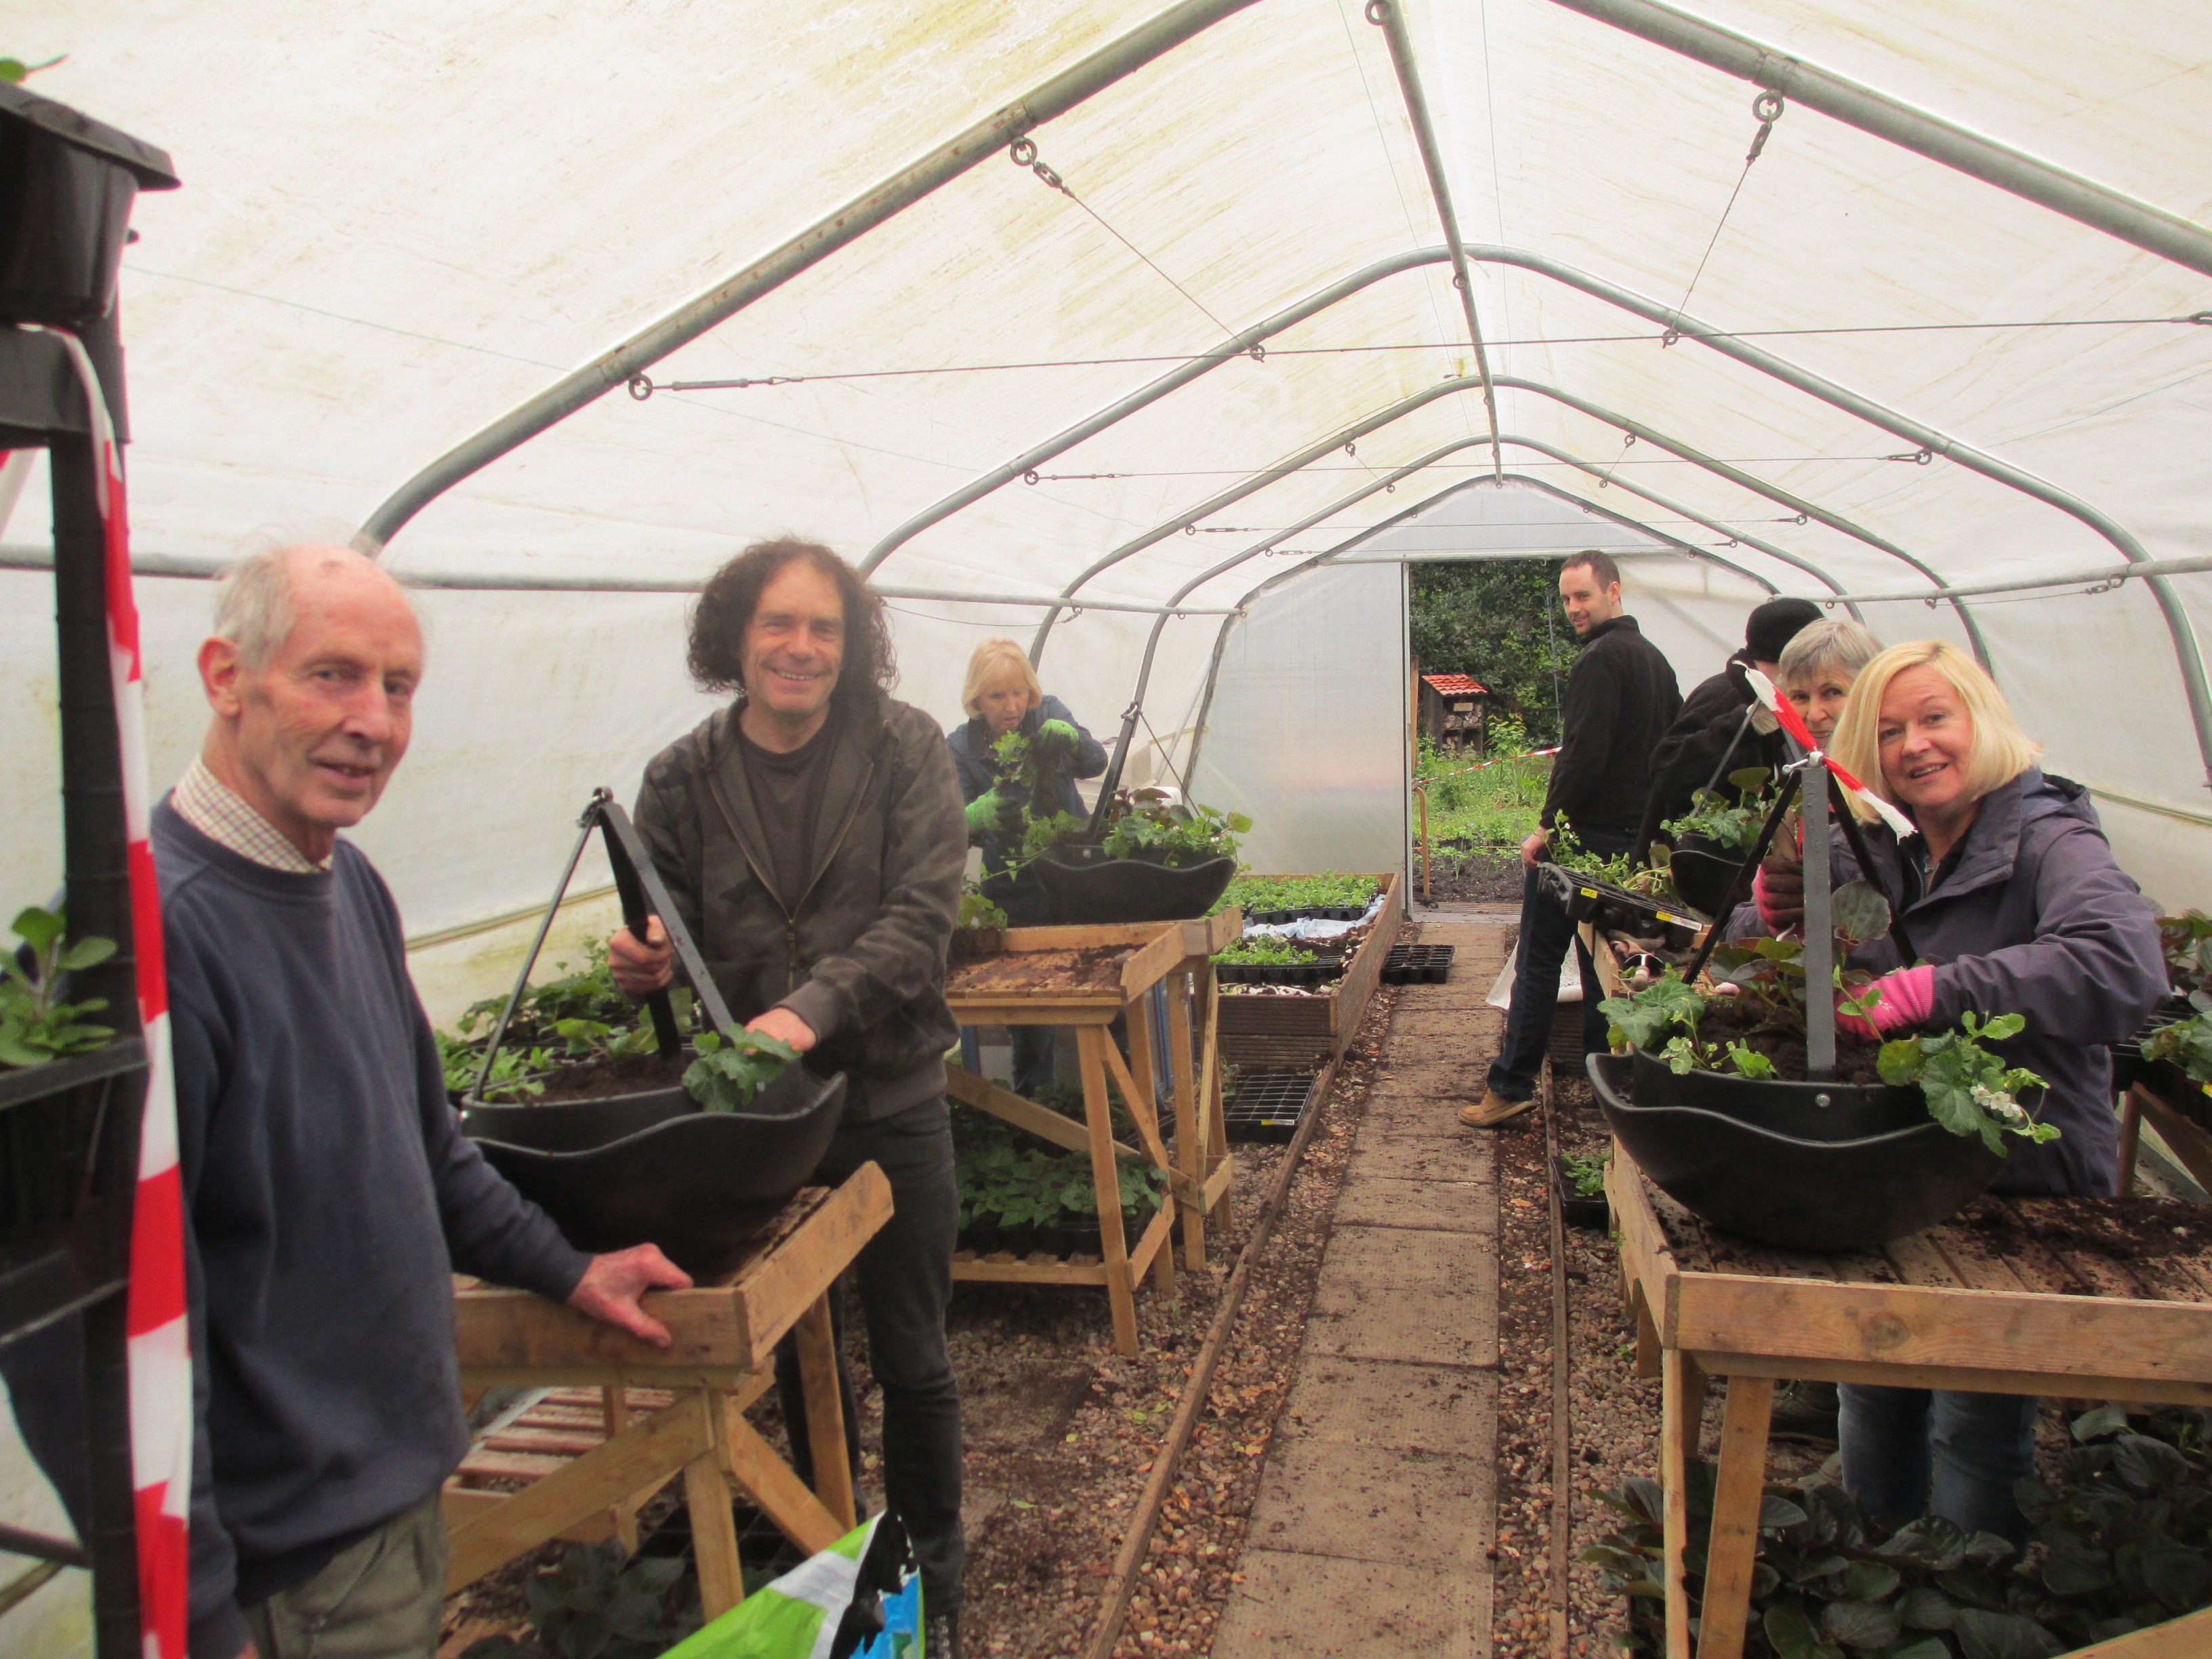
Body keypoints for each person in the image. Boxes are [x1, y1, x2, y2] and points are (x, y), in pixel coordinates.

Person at [152, 545, 691, 1659]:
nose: (373, 721)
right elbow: (109, 1331)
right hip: (283, 1567)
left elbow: (429, 1149)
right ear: (225, 676)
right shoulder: (158, 943)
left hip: (386, 1508)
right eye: (332, 675)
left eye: (398, 687)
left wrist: (567, 1267)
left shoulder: (344, 883)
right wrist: (198, 1613)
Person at [608, 539, 969, 1655]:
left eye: (824, 627)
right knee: (802, 1356)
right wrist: (645, 963)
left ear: (851, 645)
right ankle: (835, 1562)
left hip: (890, 1096)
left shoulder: (906, 748)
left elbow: (922, 916)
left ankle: (933, 1572)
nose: (800, 647)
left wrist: (809, 1010)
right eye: (778, 623)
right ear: (736, 636)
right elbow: (666, 929)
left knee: (912, 1352)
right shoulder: (681, 778)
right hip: (761, 1122)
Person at [1763, 640, 2166, 1540]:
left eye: (1934, 719)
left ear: (1980, 721)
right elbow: (1807, 943)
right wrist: (1779, 907)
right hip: (1897, 1171)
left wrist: (1939, 989)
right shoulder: (1884, 841)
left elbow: (2123, 965)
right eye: (1890, 730)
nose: (1914, 746)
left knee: (1975, 1425)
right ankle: (1877, 1574)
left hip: (2016, 1179)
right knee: (1873, 1394)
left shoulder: (2049, 837)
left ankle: (1967, 1583)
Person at [1461, 551, 1681, 1128]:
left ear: (1614, 590)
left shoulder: (1601, 659)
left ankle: (1510, 1085)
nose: (1573, 608)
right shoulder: (1656, 662)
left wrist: (1546, 828)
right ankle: (1603, 1082)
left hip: (1583, 838)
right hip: (1632, 843)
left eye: (1583, 595)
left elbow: (1584, 753)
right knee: (1599, 963)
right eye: (1565, 599)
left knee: (1538, 959)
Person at [944, 638, 1107, 1095]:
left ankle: (1120, 1095)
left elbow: (1096, 762)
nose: (1012, 705)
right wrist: (975, 815)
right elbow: (948, 824)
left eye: (1018, 692)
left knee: (1105, 990)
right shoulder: (960, 747)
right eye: (997, 696)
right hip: (1015, 893)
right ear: (977, 700)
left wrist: (1073, 740)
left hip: (1075, 880)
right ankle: (1036, 1103)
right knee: (1031, 1007)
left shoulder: (1048, 713)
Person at [1633, 596, 1823, 859]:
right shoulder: (1725, 696)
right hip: (1696, 864)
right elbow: (1667, 770)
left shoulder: (1778, 698)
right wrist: (1741, 725)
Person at [1746, 617, 1886, 937]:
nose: (1814, 714)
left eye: (1832, 692)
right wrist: (1768, 907)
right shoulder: (1813, 787)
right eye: (1800, 697)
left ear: (1872, 692)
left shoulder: (1893, 789)